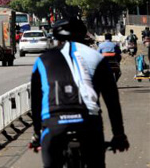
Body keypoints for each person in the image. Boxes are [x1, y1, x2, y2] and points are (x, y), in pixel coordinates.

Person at [29, 18, 128, 168]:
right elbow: (112, 101)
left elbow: (36, 102)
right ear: (84, 37)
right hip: (88, 122)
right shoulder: (97, 57)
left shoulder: (42, 60)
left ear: (56, 39)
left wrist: (37, 134)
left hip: (54, 124)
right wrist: (119, 135)